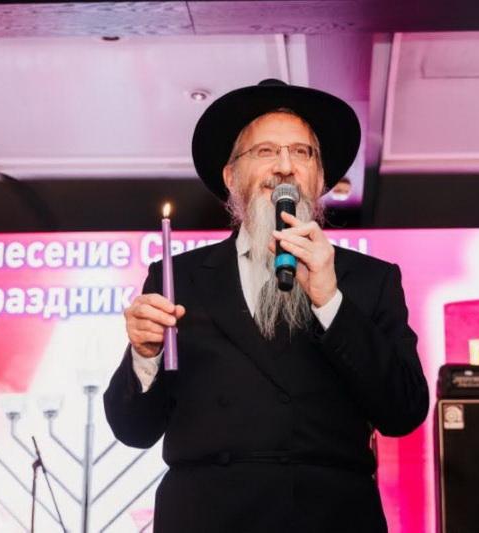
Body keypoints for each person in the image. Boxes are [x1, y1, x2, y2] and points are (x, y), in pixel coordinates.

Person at [103, 79, 429, 533]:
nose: (284, 167)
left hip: (331, 518)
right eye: (265, 151)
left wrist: (331, 302)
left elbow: (404, 411)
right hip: (207, 518)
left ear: (320, 179)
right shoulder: (178, 278)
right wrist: (144, 355)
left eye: (302, 152)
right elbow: (134, 430)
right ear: (231, 177)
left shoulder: (371, 280)